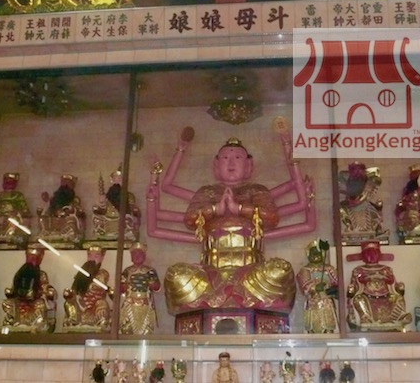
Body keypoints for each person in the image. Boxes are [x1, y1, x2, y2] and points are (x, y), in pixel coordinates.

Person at [160, 137, 302, 315]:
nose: (231, 163)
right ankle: (226, 297)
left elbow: (272, 218)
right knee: (176, 276)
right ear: (216, 165)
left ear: (249, 166)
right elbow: (189, 219)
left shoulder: (257, 190)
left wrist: (239, 208)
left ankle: (228, 298)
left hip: (252, 272)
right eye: (226, 158)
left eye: (238, 158)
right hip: (211, 271)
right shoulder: (207, 192)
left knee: (281, 272)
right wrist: (215, 209)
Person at [347, 241, 411, 331]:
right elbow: (353, 287)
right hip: (367, 295)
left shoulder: (386, 269)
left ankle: (397, 318)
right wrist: (351, 290)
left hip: (386, 295)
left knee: (398, 298)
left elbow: (394, 283)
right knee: (358, 299)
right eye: (368, 253)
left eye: (375, 252)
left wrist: (400, 288)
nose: (372, 256)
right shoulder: (359, 270)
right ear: (363, 255)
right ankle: (366, 318)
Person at [2, 248, 56, 333]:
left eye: (34, 258)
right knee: (8, 303)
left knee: (41, 304)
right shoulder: (20, 274)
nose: (31, 261)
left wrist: (46, 292)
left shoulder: (41, 275)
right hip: (19, 299)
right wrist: (11, 292)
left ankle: (37, 325)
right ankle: (12, 323)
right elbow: (14, 288)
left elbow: (45, 288)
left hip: (34, 300)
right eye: (30, 258)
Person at [63, 245, 113, 332]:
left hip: (95, 304)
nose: (92, 259)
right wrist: (71, 294)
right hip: (81, 302)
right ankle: (73, 321)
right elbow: (75, 289)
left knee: (102, 304)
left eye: (96, 256)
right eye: (90, 255)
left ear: (102, 258)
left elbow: (99, 286)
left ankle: (101, 322)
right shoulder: (81, 274)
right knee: (69, 303)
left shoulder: (103, 274)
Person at [338, 162, 387, 243]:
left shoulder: (372, 210)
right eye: (352, 183)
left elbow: (378, 233)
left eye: (358, 183)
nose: (354, 186)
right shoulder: (342, 209)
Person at [296, 239, 339, 333]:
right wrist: (315, 287)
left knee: (329, 323)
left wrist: (331, 289)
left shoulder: (329, 268)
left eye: (318, 253)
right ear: (308, 255)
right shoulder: (305, 270)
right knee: (313, 325)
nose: (316, 255)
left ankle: (329, 331)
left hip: (327, 299)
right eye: (313, 253)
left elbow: (337, 282)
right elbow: (305, 286)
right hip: (313, 300)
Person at [119, 242, 160, 335]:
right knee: (127, 328)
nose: (137, 256)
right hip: (130, 303)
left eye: (139, 254)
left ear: (144, 256)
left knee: (146, 329)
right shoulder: (127, 271)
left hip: (145, 303)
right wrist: (124, 286)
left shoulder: (150, 271)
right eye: (134, 254)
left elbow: (157, 287)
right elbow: (120, 287)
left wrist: (153, 285)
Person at [92, 166, 141, 242]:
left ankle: (127, 233)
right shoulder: (108, 195)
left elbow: (132, 207)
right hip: (108, 217)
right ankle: (100, 232)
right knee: (97, 219)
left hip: (122, 216)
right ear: (112, 180)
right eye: (115, 179)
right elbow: (102, 206)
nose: (117, 181)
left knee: (127, 220)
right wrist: (101, 203)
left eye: (119, 179)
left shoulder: (129, 195)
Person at [37, 174, 85, 246]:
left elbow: (77, 209)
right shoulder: (55, 198)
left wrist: (69, 210)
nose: (65, 186)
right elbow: (50, 206)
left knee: (71, 220)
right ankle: (48, 235)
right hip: (54, 218)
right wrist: (47, 200)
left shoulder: (75, 199)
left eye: (68, 184)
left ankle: (68, 237)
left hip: (67, 218)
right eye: (64, 183)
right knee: (43, 219)